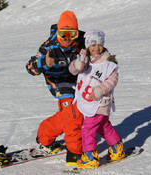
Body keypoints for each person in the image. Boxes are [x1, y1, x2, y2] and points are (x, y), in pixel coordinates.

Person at [25, 11, 86, 165]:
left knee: (73, 114)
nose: (67, 38)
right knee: (73, 116)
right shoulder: (49, 46)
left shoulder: (82, 42)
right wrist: (44, 63)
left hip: (80, 81)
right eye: (63, 33)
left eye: (71, 34)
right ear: (58, 32)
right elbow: (30, 68)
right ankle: (75, 154)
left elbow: (99, 50)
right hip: (59, 83)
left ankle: (44, 134)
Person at [68, 30, 125, 169]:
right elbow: (72, 71)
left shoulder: (108, 63)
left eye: (99, 44)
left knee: (87, 129)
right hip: (88, 101)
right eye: (93, 45)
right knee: (103, 126)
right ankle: (117, 149)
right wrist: (79, 62)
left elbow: (112, 81)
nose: (96, 48)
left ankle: (90, 157)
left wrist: (99, 90)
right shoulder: (85, 58)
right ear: (87, 45)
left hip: (99, 102)